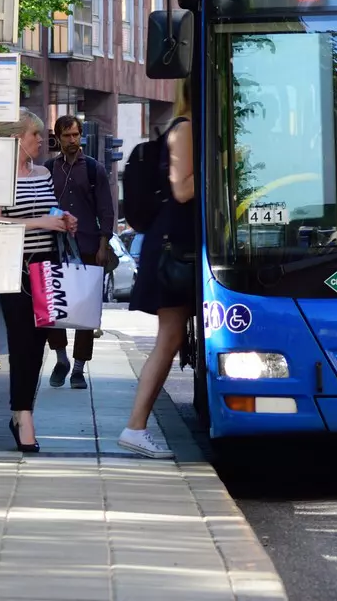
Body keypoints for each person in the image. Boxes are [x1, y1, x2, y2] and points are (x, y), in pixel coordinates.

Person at [119, 89, 196, 459]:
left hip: (174, 241)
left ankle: (136, 426)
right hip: (173, 244)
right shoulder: (184, 129)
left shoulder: (186, 128)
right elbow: (182, 190)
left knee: (172, 337)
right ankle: (135, 427)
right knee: (169, 337)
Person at [0, 109, 74, 454]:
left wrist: (63, 218)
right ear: (17, 139)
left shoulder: (43, 172)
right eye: (35, 135)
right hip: (14, 267)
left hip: (44, 267)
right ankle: (22, 414)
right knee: (21, 342)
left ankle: (23, 410)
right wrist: (43, 222)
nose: (42, 140)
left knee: (39, 343)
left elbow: (51, 209)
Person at [42, 114, 113, 389]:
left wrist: (103, 244)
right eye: (67, 136)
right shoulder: (49, 169)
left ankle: (80, 368)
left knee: (85, 310)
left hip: (86, 245)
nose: (72, 141)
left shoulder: (94, 169)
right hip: (54, 245)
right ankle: (61, 359)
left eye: (76, 135)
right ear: (57, 138)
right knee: (52, 307)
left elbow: (107, 210)